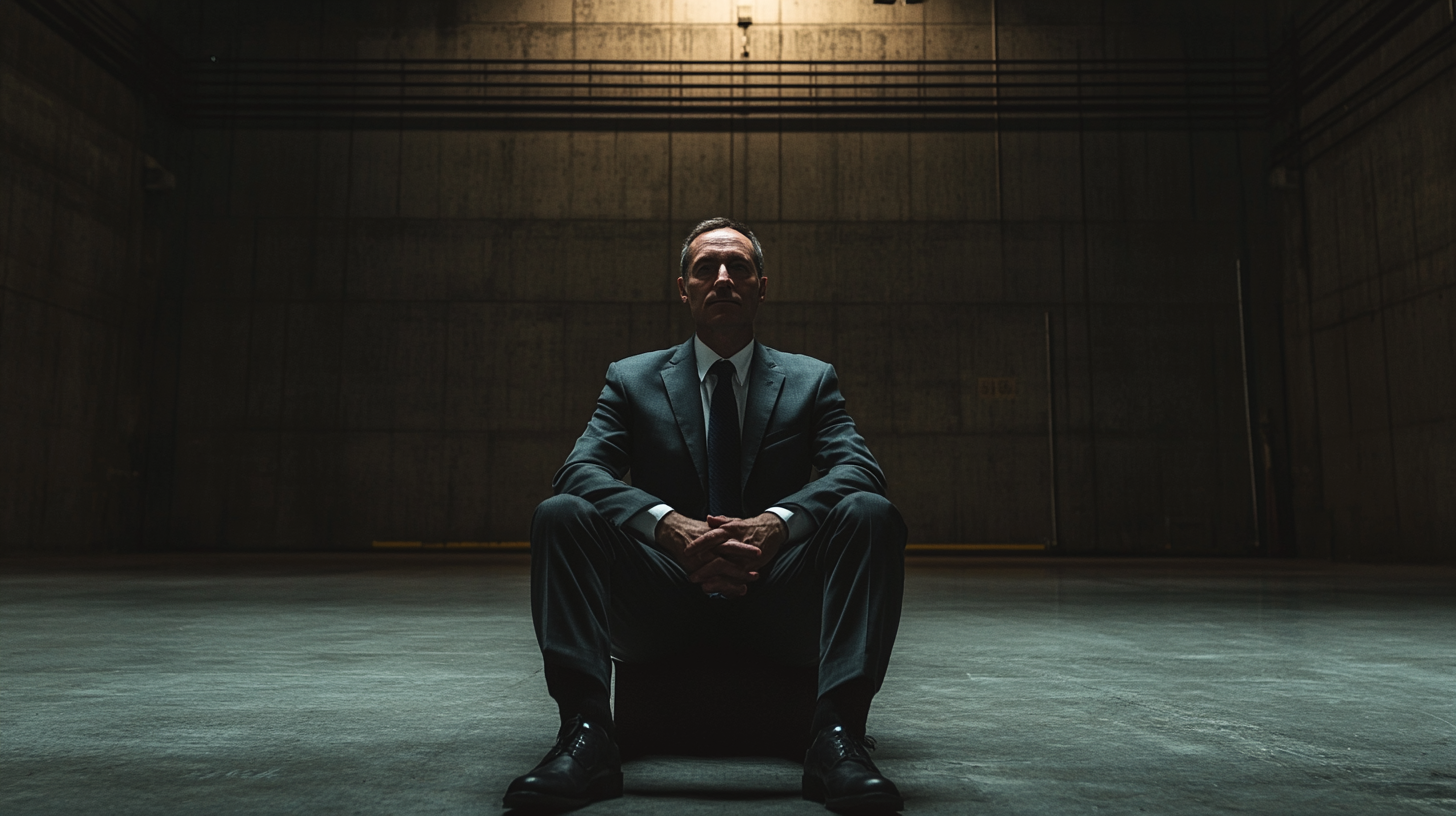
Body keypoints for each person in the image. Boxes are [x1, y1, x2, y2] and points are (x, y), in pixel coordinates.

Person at [503, 217, 907, 814]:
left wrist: (776, 524)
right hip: (665, 593)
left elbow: (859, 470)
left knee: (870, 512)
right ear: (684, 287)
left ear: (761, 286)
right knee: (560, 513)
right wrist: (667, 525)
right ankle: (585, 737)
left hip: (775, 592)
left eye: (738, 267)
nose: (723, 278)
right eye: (706, 269)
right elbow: (580, 471)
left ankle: (838, 738)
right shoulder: (632, 378)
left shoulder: (810, 379)